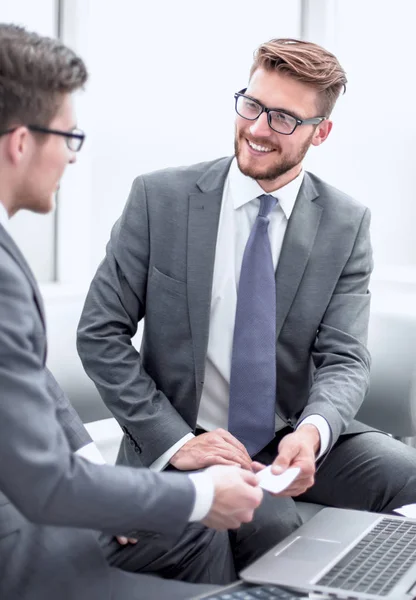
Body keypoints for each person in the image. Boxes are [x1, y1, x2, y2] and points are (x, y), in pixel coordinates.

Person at [77, 36, 416, 572]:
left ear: (321, 132)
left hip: (287, 434)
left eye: (283, 118)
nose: (257, 129)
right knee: (270, 522)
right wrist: (176, 443)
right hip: (186, 432)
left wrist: (313, 432)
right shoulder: (158, 199)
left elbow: (344, 357)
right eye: (252, 105)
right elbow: (100, 333)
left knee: (406, 470)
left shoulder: (346, 224)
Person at [0, 24, 265, 600]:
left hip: (46, 496)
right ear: (21, 143)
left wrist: (103, 489)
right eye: (69, 137)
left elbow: (32, 380)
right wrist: (199, 492)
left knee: (195, 536)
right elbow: (44, 482)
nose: (73, 159)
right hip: (19, 539)